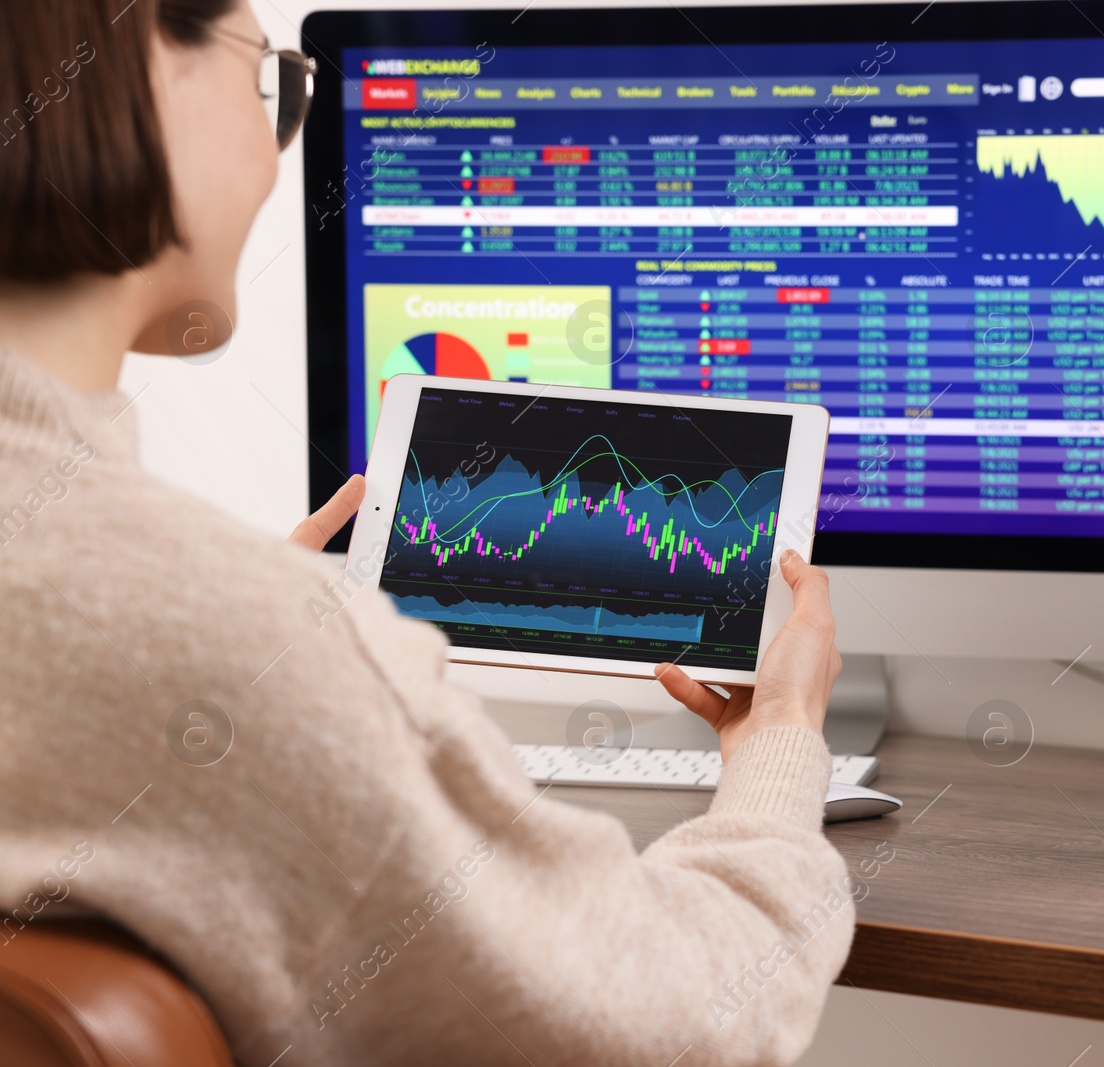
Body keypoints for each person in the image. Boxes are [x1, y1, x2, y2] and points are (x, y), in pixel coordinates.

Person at [0, 2, 853, 1064]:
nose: (277, 156)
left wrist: (221, 619)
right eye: (269, 80)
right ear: (119, 76)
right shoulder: (218, 640)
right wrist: (780, 746)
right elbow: (680, 1017)